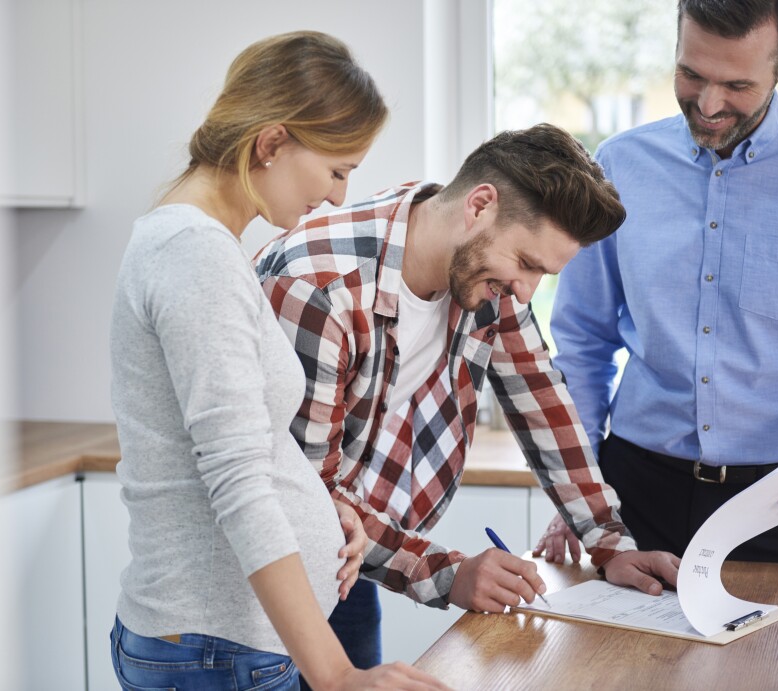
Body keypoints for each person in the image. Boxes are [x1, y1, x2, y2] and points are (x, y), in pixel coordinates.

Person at [254, 123, 681, 670]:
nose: (526, 292)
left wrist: (609, 545)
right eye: (526, 264)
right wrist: (448, 574)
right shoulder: (320, 289)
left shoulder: (476, 264)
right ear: (480, 205)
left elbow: (542, 400)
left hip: (347, 555)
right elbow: (305, 495)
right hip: (260, 583)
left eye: (542, 276)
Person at [108, 31, 447, 691]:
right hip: (216, 646)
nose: (339, 197)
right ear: (271, 143)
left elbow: (243, 440)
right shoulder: (193, 254)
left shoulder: (202, 245)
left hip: (218, 644)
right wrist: (339, 675)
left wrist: (320, 507)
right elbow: (234, 477)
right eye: (337, 169)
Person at [540, 0, 778, 567]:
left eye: (736, 84)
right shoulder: (619, 166)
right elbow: (584, 342)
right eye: (691, 75)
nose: (708, 105)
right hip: (631, 490)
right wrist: (579, 492)